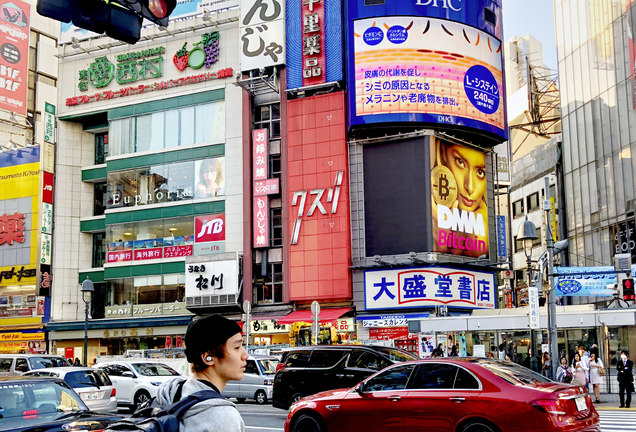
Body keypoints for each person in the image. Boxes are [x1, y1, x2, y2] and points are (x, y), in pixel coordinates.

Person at [155, 315, 248, 431]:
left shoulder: (168, 394)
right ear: (208, 357)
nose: (245, 355)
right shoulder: (223, 417)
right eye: (237, 347)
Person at [431, 140, 488, 258]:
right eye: (460, 162)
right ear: (443, 153)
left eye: (480, 172)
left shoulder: (480, 224)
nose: (470, 187)